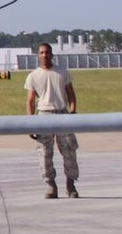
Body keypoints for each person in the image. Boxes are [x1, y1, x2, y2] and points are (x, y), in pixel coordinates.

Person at [25, 43, 80, 198]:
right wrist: (30, 122)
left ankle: (71, 185)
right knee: (44, 154)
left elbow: (71, 94)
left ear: (52, 54)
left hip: (62, 114)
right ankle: (50, 185)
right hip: (43, 115)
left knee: (69, 151)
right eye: (41, 52)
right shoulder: (33, 76)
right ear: (38, 55)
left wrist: (73, 112)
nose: (44, 55)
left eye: (47, 52)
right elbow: (30, 101)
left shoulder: (62, 72)